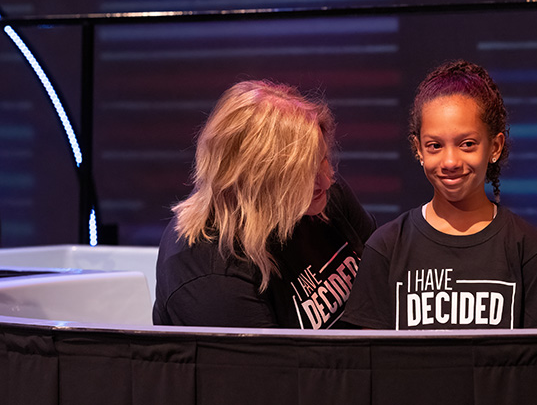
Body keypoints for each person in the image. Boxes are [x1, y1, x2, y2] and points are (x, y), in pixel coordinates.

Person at [342, 60, 537, 329]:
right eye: (435, 145)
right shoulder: (386, 248)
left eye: (467, 144)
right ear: (418, 149)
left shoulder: (530, 250)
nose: (450, 161)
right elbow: (362, 361)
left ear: (495, 147)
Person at [153, 80, 376, 329]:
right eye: (303, 173)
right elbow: (272, 368)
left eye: (322, 159)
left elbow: (383, 276)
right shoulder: (211, 275)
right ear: (256, 181)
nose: (326, 180)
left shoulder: (319, 195)